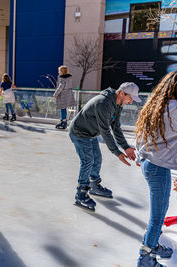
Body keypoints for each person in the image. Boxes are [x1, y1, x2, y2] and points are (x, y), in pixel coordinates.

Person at [69, 82, 140, 211]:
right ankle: (80, 194)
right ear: (122, 93)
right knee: (87, 161)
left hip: (91, 132)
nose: (130, 102)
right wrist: (117, 153)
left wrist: (126, 147)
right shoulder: (103, 103)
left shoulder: (118, 104)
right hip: (79, 132)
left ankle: (94, 185)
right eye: (130, 98)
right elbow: (105, 131)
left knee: (97, 159)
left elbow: (115, 127)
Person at [135, 72, 177, 266]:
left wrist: (139, 154)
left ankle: (152, 244)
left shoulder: (155, 106)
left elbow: (140, 134)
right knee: (157, 216)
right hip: (158, 168)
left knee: (161, 210)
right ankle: (146, 258)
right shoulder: (175, 108)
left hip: (151, 164)